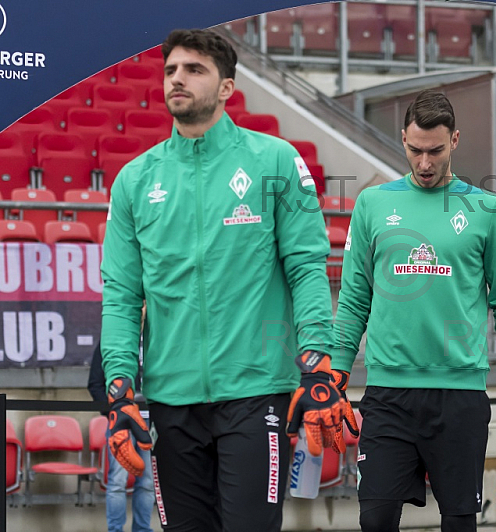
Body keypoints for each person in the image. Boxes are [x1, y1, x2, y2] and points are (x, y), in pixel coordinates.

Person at [101, 28, 343, 531]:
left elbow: (306, 268)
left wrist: (318, 360)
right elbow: (122, 296)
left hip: (256, 392)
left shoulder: (275, 161)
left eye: (194, 70)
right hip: (171, 398)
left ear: (227, 88)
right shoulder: (134, 180)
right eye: (170, 70)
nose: (177, 80)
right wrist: (120, 387)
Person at [332, 90, 496, 532]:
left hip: (459, 396)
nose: (424, 163)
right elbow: (353, 300)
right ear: (403, 138)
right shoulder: (372, 204)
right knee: (376, 518)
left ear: (456, 140)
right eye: (415, 149)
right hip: (388, 395)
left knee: (460, 523)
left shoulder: (487, 209)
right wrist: (336, 375)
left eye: (436, 151)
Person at [88, 306, 154, 532]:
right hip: (122, 422)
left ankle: (142, 530)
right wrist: (114, 413)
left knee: (147, 483)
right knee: (116, 482)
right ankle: (115, 530)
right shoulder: (113, 341)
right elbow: (95, 384)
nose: (144, 310)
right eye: (141, 305)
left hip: (152, 422)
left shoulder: (162, 340)